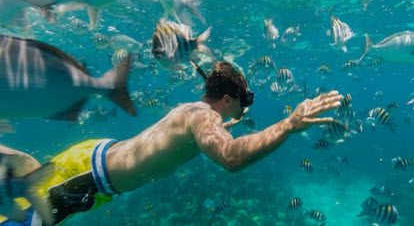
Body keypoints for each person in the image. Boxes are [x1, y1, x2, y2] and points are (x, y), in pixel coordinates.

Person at [1, 61, 343, 225]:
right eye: (245, 100)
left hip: (92, 156)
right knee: (25, 222)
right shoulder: (204, 118)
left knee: (29, 171)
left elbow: (207, 128)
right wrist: (289, 125)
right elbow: (229, 157)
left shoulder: (192, 109)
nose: (246, 107)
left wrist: (226, 121)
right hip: (91, 177)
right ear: (227, 98)